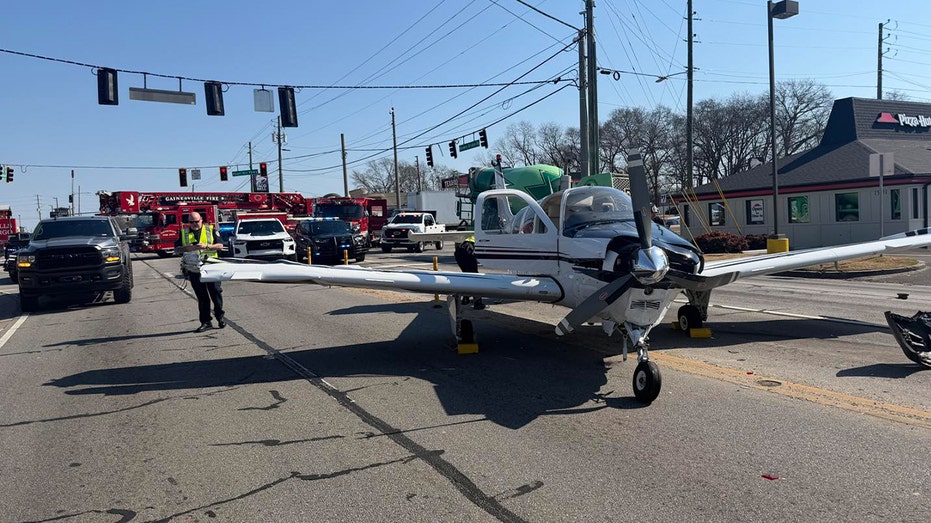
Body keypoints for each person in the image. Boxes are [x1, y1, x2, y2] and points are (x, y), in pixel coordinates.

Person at [175, 212, 225, 332]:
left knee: (216, 293)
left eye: (196, 221)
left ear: (201, 220)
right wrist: (188, 248)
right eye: (191, 222)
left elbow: (220, 245)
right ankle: (206, 321)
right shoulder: (183, 233)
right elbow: (176, 249)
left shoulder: (211, 230)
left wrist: (207, 246)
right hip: (194, 269)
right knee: (202, 298)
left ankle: (220, 317)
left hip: (211, 267)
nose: (194, 224)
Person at [454, 234, 484, 309]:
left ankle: (465, 298)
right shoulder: (477, 229)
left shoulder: (466, 229)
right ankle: (477, 302)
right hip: (468, 247)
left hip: (459, 250)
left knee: (466, 275)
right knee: (475, 277)